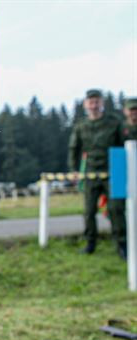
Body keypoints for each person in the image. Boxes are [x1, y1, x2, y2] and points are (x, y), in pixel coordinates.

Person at [68, 89, 125, 258]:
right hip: (91, 173)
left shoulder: (114, 123)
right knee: (89, 211)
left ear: (102, 103)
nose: (94, 106)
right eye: (91, 102)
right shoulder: (81, 126)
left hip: (112, 172)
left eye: (97, 102)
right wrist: (74, 170)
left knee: (116, 210)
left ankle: (122, 244)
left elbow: (124, 146)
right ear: (86, 105)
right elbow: (74, 149)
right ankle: (90, 243)